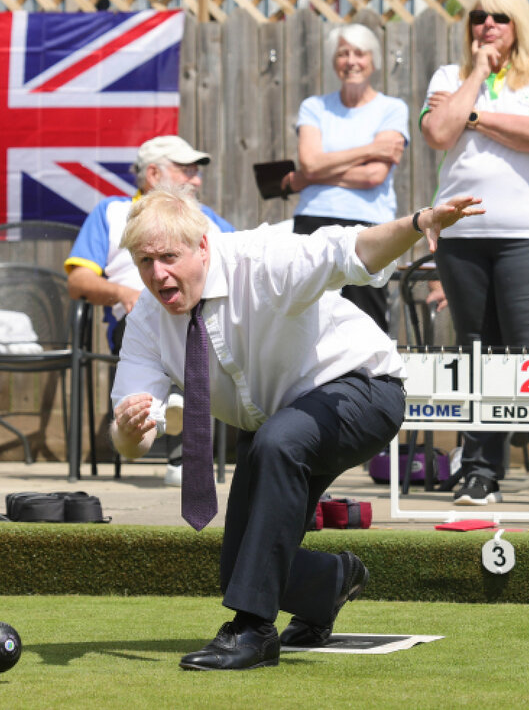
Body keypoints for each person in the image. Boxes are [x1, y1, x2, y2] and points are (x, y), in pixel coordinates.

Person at [110, 188, 482, 670]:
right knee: (240, 568)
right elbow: (133, 442)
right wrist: (128, 427)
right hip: (276, 426)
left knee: (276, 445)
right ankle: (333, 580)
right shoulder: (145, 320)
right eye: (144, 261)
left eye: (168, 257)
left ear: (202, 246)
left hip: (361, 390)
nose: (157, 274)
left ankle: (253, 633)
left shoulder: (263, 260)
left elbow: (352, 251)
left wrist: (417, 222)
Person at [419, 0, 529, 508]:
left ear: (518, 25)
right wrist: (475, 80)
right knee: (477, 350)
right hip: (462, 236)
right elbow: (438, 133)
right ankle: (481, 470)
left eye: (500, 18)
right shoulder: (450, 76)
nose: (487, 25)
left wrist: (474, 116)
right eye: (478, 17)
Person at [66, 135, 234, 486]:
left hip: (207, 320)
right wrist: (124, 293)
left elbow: (241, 263)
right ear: (154, 174)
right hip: (135, 322)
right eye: (186, 169)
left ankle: (178, 430)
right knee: (151, 321)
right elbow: (78, 281)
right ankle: (178, 446)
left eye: (197, 171)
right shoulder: (111, 212)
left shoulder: (205, 220)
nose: (197, 179)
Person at [281, 23, 409, 333]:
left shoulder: (392, 108)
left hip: (367, 223)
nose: (351, 61)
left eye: (359, 53)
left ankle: (371, 381)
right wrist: (372, 147)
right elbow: (309, 162)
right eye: (343, 54)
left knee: (366, 319)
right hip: (312, 222)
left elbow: (374, 176)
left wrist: (316, 175)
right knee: (305, 314)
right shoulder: (314, 107)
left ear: (373, 61)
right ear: (334, 62)